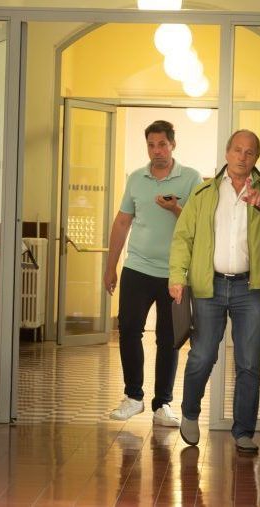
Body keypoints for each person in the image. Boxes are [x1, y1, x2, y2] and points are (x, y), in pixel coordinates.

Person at [168, 129, 260, 453]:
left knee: (249, 363)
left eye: (249, 152)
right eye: (237, 150)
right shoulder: (204, 192)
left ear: (256, 158)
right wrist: (177, 277)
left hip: (249, 289)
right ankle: (190, 412)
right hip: (210, 286)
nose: (242, 157)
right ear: (227, 153)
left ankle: (243, 432)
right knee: (202, 355)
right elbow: (183, 237)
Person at [105, 120, 202, 426]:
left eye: (162, 144)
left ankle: (163, 405)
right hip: (137, 267)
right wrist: (110, 266)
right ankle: (133, 397)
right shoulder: (137, 178)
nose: (156, 150)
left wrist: (174, 209)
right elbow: (122, 222)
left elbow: (199, 224)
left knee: (169, 338)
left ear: (173, 145)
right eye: (151, 145)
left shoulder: (191, 178)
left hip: (175, 273)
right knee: (129, 330)